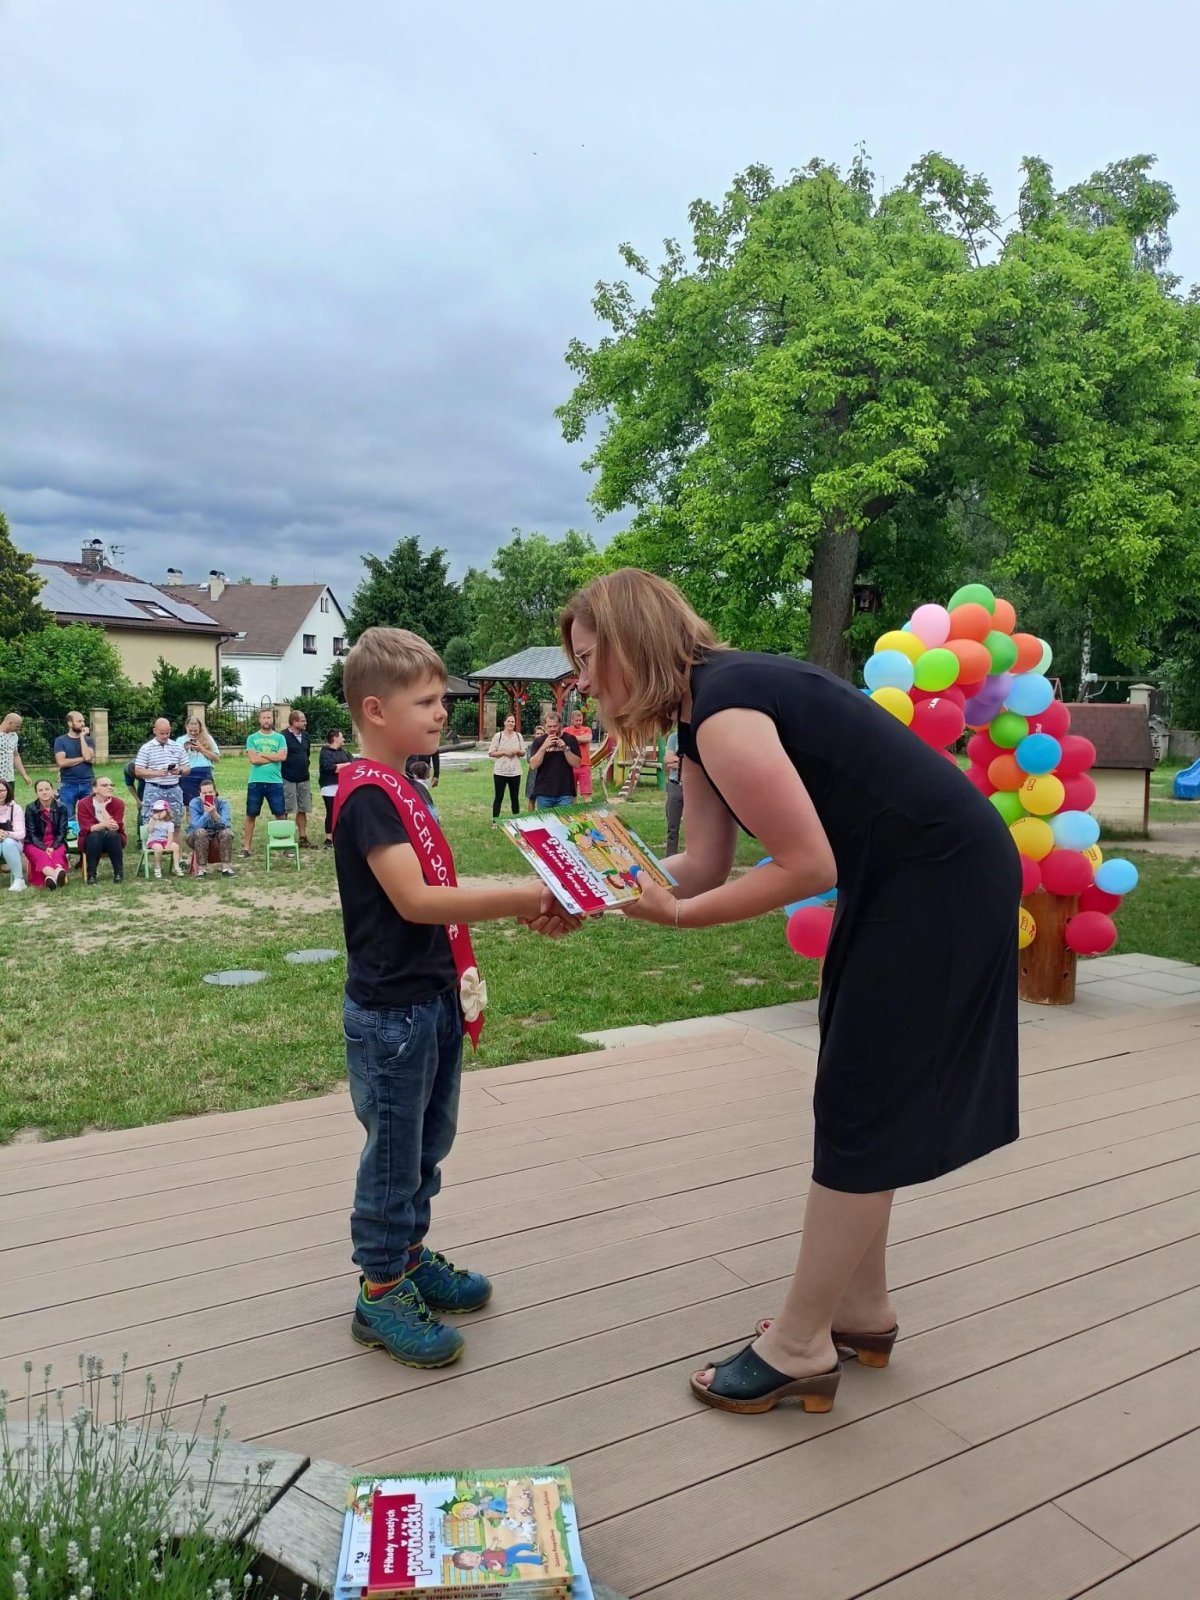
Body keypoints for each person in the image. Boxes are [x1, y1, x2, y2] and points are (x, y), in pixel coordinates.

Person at [560, 569, 1020, 1418]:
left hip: (940, 883)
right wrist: (585, 886)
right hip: (907, 881)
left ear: (630, 642)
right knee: (859, 1096)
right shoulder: (703, 713)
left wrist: (679, 918)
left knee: (863, 1101)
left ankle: (802, 1343)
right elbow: (703, 864)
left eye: (588, 660)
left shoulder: (726, 712)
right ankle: (860, 1310)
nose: (582, 683)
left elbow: (806, 865)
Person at [333, 626, 577, 1369]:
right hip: (392, 1014)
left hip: (433, 998)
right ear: (376, 710)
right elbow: (415, 900)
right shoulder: (368, 796)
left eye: (443, 698)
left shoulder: (407, 785)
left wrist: (535, 894)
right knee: (393, 1156)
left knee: (427, 1146)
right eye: (428, 701)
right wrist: (525, 896)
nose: (444, 711)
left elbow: (442, 886)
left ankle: (408, 1258)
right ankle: (380, 1292)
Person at [242, 708, 287, 856]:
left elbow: (283, 757)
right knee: (251, 814)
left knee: (280, 814)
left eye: (269, 717)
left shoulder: (280, 738)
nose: (266, 720)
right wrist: (273, 755)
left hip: (275, 782)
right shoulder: (252, 738)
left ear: (273, 719)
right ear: (259, 719)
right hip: (256, 781)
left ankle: (285, 845)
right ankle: (246, 847)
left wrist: (261, 754)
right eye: (264, 718)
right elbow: (253, 760)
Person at [135, 718, 189, 831]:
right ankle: (152, 842)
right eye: (162, 733)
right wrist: (157, 773)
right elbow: (138, 770)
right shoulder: (146, 748)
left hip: (173, 788)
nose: (165, 736)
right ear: (155, 731)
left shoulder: (177, 747)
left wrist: (179, 771)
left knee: (175, 823)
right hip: (154, 788)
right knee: (150, 822)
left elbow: (187, 768)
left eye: (167, 733)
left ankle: (174, 842)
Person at [76, 775, 126, 885]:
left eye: (111, 785)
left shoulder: (118, 803)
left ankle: (118, 873)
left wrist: (103, 808)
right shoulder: (84, 804)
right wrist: (104, 824)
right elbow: (88, 828)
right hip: (90, 841)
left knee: (112, 835)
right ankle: (91, 875)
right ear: (95, 789)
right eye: (104, 785)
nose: (110, 787)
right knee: (95, 835)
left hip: (115, 840)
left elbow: (114, 827)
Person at [527, 713, 581, 811]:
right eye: (549, 726)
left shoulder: (571, 739)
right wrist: (544, 747)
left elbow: (577, 764)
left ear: (560, 725)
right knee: (546, 820)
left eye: (555, 726)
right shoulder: (539, 741)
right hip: (544, 792)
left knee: (564, 820)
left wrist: (565, 749)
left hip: (565, 792)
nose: (552, 729)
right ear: (545, 726)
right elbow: (533, 765)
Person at [23, 779, 70, 889]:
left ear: (52, 790)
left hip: (56, 841)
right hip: (35, 842)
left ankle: (52, 878)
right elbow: (31, 834)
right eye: (40, 790)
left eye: (47, 789)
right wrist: (44, 848)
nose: (44, 792)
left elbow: (62, 832)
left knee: (57, 853)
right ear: (36, 793)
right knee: (41, 855)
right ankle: (56, 875)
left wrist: (53, 847)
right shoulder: (31, 808)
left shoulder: (61, 807)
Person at [187, 777, 236, 876]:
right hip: (196, 836)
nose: (208, 795)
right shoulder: (194, 803)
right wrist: (207, 814)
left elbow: (226, 824)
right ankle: (202, 870)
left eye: (210, 792)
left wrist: (214, 814)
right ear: (200, 794)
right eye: (204, 793)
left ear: (215, 792)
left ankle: (226, 869)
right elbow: (195, 826)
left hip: (218, 832)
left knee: (226, 832)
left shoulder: (223, 803)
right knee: (200, 832)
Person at [53, 711, 95, 821]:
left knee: (89, 817)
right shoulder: (60, 741)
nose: (83, 724)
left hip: (88, 783)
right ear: (70, 723)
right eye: (79, 721)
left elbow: (88, 756)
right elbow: (61, 762)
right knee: (67, 817)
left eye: (83, 721)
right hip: (68, 784)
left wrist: (82, 737)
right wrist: (82, 759)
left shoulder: (88, 740)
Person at [281, 709, 313, 846]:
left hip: (303, 778)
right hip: (288, 778)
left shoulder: (306, 736)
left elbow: (307, 754)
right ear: (294, 722)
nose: (305, 723)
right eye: (303, 720)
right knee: (287, 809)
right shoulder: (283, 736)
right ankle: (285, 837)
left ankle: (302, 837)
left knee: (302, 808)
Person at [487, 714, 525, 825]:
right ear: (504, 723)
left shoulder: (518, 736)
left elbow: (523, 752)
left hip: (515, 771)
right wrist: (504, 752)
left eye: (512, 722)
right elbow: (491, 753)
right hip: (500, 771)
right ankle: (495, 822)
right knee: (499, 797)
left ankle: (517, 821)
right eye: (508, 721)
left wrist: (516, 751)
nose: (510, 723)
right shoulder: (498, 736)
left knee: (515, 797)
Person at [319, 728, 352, 848]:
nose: (344, 739)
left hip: (343, 785)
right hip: (329, 786)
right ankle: (329, 838)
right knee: (331, 811)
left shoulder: (345, 752)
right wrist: (345, 766)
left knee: (344, 812)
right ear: (335, 738)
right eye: (341, 737)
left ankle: (342, 836)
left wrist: (339, 767)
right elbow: (328, 767)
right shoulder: (325, 752)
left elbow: (352, 765)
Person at [179, 716, 221, 807]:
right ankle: (192, 817)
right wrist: (185, 749)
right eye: (190, 731)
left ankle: (209, 815)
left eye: (196, 731)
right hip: (189, 774)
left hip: (205, 774)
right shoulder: (180, 740)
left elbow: (216, 758)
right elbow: (176, 759)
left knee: (209, 802)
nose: (193, 733)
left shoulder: (207, 738)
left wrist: (202, 749)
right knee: (191, 804)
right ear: (186, 727)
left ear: (200, 728)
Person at [146, 798, 184, 878]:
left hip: (164, 841)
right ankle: (157, 868)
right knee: (158, 848)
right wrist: (153, 820)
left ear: (166, 811)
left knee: (176, 846)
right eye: (156, 811)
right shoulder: (153, 820)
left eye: (160, 811)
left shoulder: (169, 824)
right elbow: (149, 830)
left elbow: (170, 835)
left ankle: (176, 867)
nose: (158, 813)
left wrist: (169, 845)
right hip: (153, 841)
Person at [0, 778, 26, 891]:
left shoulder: (15, 808)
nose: (0, 793)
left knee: (8, 843)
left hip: (13, 845)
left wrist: (6, 833)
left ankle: (19, 879)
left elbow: (21, 834)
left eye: (2, 790)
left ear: (8, 791)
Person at [664, 729, 684, 855]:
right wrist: (685, 763)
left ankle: (696, 859)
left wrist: (677, 761)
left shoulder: (697, 735)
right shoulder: (674, 737)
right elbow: (669, 762)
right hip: (675, 786)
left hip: (692, 787)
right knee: (672, 828)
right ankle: (670, 856)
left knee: (696, 827)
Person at [0, 713, 31, 789]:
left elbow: (16, 756)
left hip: (9, 778)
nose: (18, 729)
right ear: (10, 723)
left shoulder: (14, 736)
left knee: (9, 797)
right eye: (17, 726)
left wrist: (24, 775)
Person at [568, 708, 594, 800]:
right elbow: (566, 741)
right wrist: (580, 739)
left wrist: (572, 739)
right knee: (571, 794)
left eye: (580, 720)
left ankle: (588, 809)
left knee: (587, 793)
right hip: (570, 766)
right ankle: (573, 809)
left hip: (584, 765)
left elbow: (588, 739)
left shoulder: (587, 729)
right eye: (577, 720)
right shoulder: (566, 730)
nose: (579, 722)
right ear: (572, 720)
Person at [524, 725, 543, 811]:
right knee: (531, 798)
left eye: (541, 734)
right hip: (533, 775)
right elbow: (529, 760)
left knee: (543, 799)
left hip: (545, 775)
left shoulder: (549, 746)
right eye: (537, 733)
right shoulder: (530, 747)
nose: (539, 735)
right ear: (534, 735)